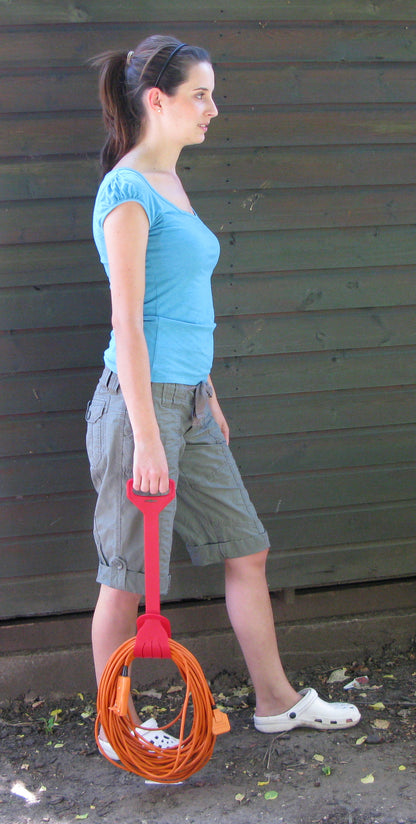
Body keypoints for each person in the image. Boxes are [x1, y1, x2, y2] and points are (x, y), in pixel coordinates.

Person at [86, 35, 360, 759]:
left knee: (248, 550)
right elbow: (129, 321)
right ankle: (115, 723)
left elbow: (176, 309)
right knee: (126, 578)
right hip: (137, 408)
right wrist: (147, 435)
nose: (214, 108)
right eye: (201, 94)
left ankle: (275, 702)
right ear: (158, 100)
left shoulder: (172, 182)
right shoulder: (128, 190)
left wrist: (206, 392)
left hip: (191, 405)